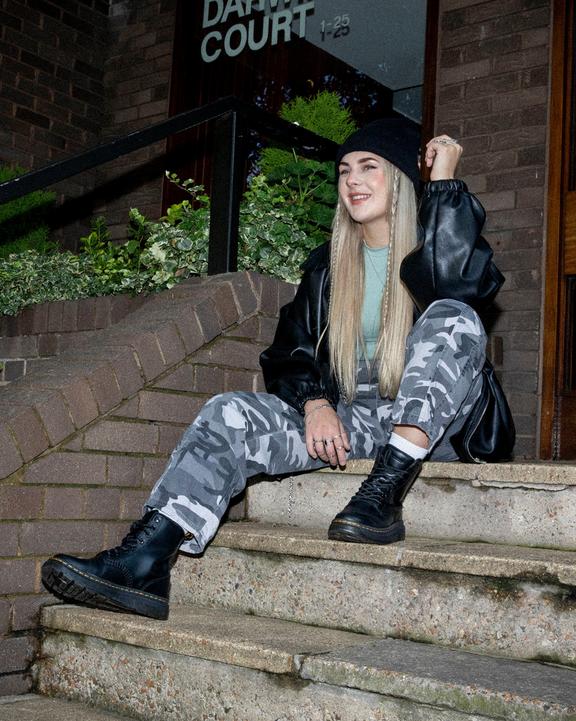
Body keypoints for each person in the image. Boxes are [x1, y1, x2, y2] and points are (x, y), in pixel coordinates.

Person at [41, 118, 511, 621]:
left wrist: (443, 184)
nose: (352, 180)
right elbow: (289, 350)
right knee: (230, 413)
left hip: (437, 424)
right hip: (358, 418)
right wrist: (314, 402)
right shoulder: (328, 267)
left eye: (368, 167)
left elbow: (457, 285)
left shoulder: (432, 245)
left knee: (453, 317)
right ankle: (146, 561)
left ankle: (383, 495)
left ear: (399, 178)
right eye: (344, 170)